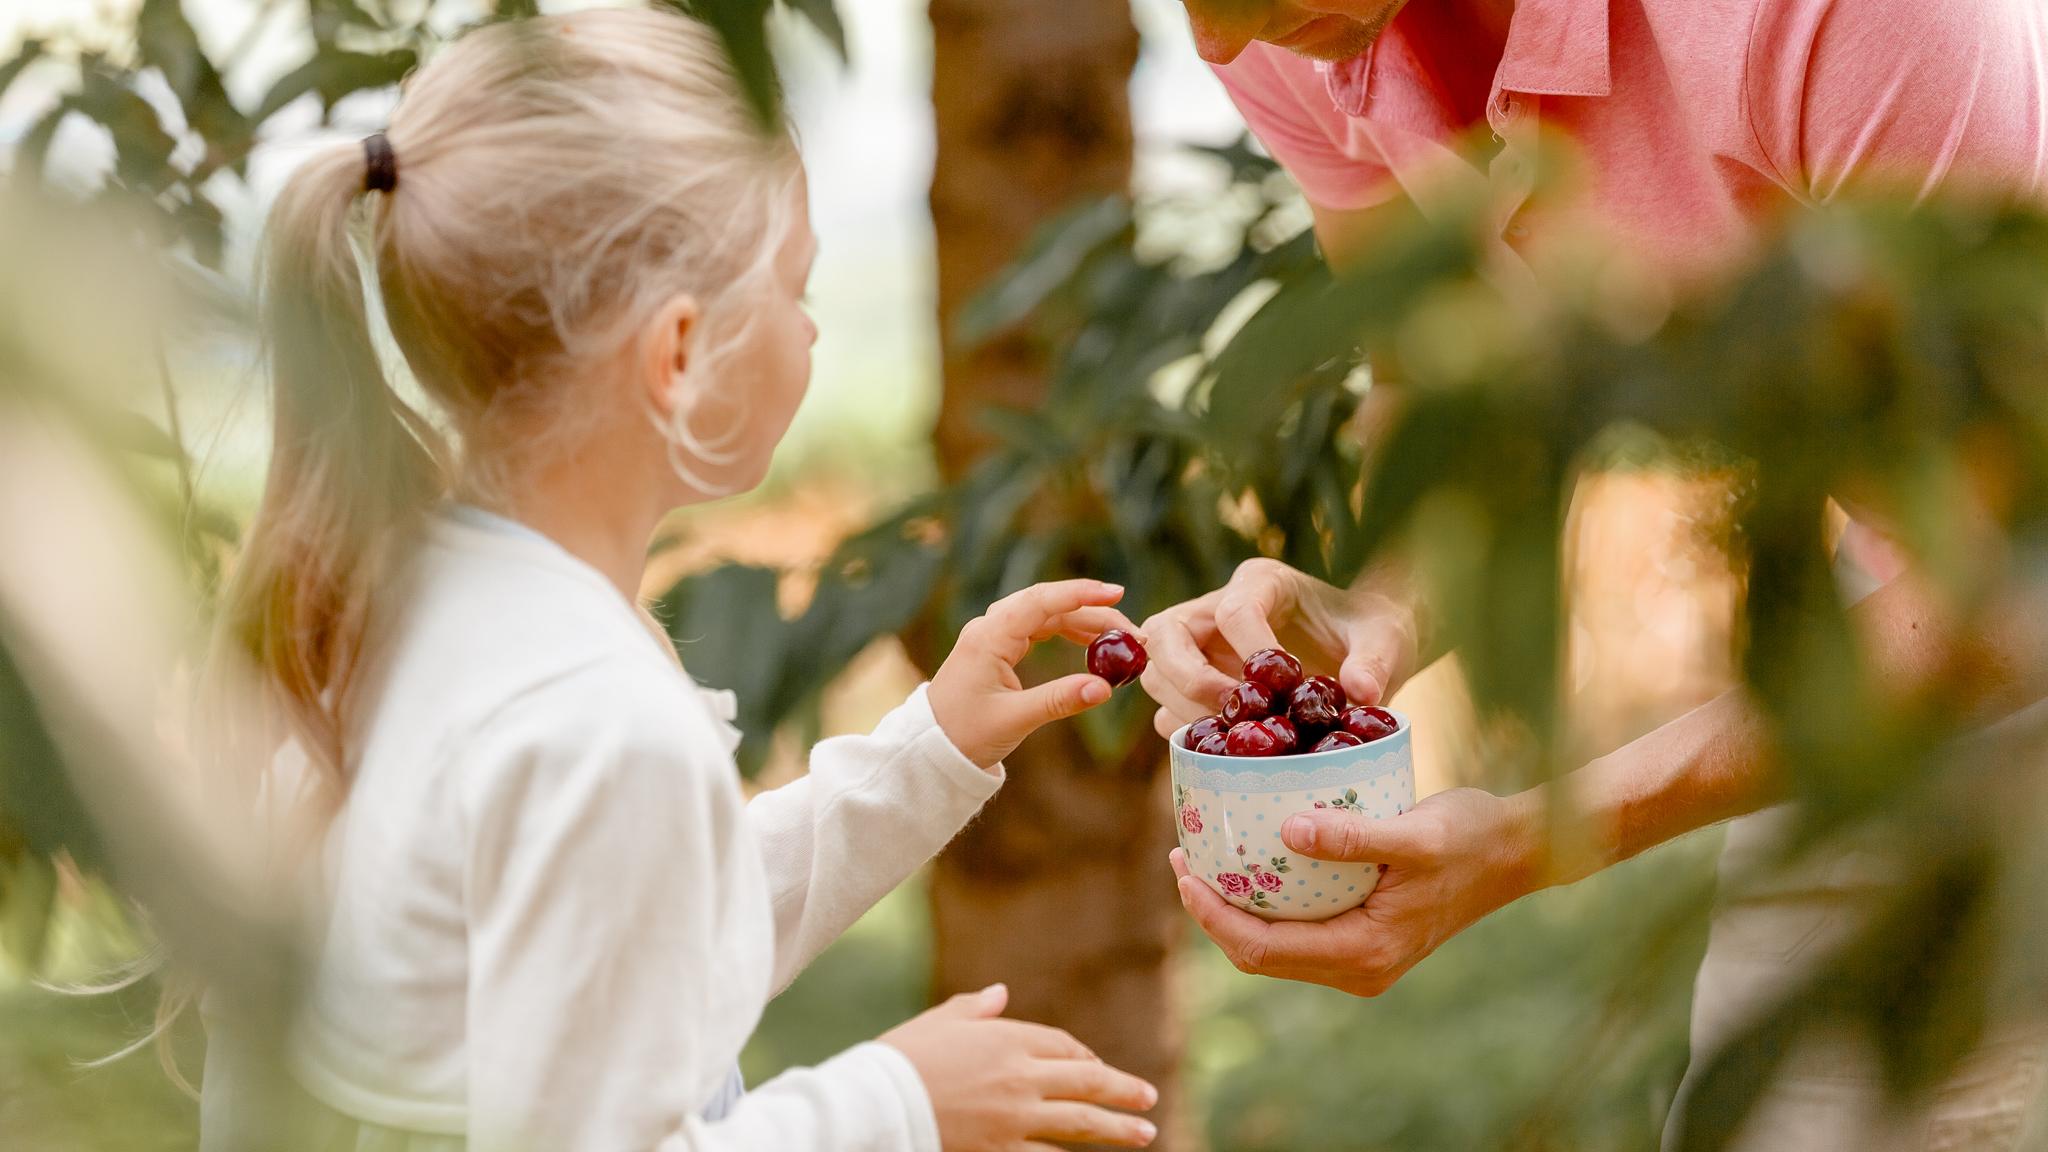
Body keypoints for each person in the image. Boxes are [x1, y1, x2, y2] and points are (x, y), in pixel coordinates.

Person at [200, 10, 1161, 1152]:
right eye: (793, 291)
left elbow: (627, 945)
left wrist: (929, 753)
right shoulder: (592, 718)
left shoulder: (407, 603)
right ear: (678, 355)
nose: (809, 333)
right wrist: (897, 1104)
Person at [1147, 0, 2048, 1147]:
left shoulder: (1856, 17)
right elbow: (1450, 381)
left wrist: (1538, 839)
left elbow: (1997, 592)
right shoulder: (1292, 31)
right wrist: (1372, 605)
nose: (1215, 46)